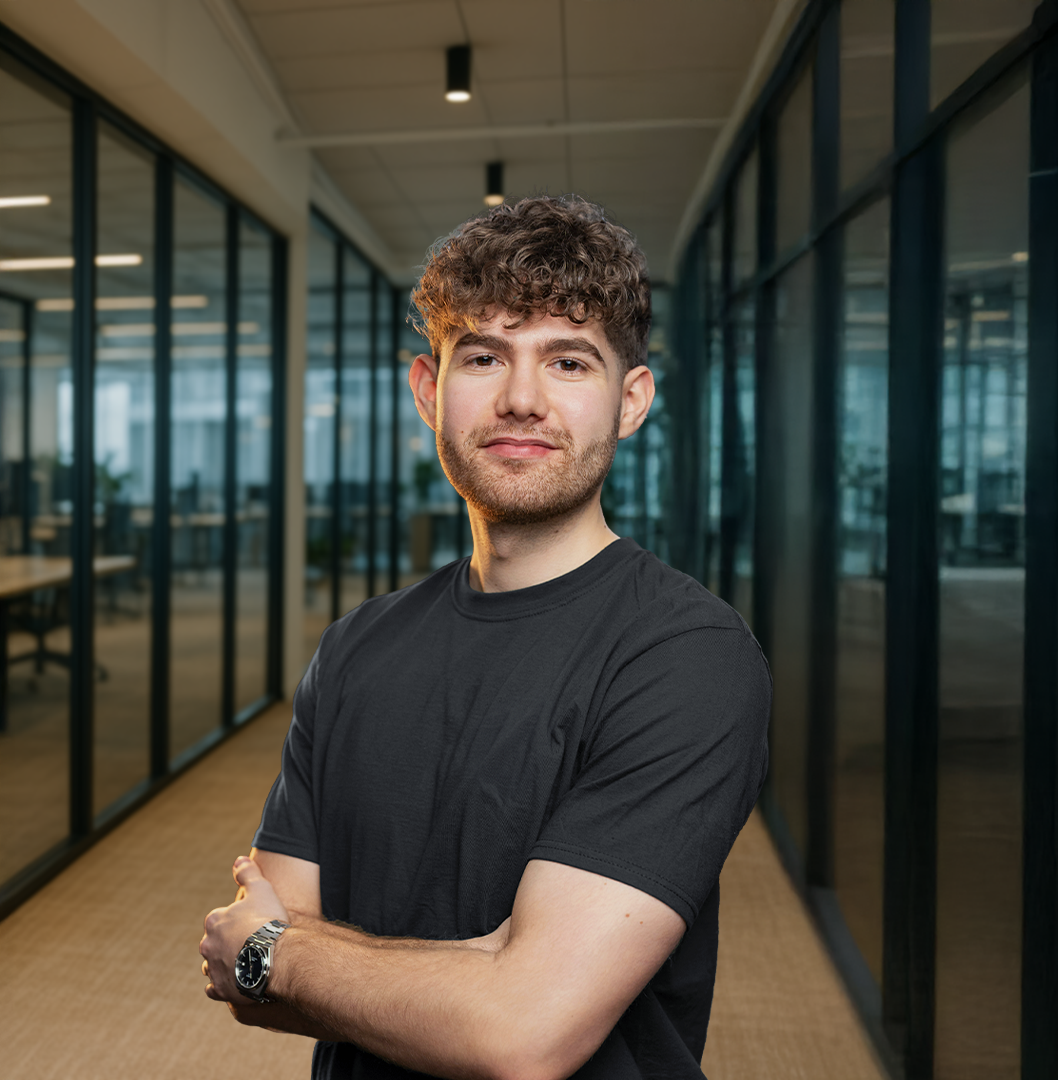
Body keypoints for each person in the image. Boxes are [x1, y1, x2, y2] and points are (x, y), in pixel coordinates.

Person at [197, 195, 771, 1080]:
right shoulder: (356, 645)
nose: (521, 398)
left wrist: (286, 953)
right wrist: (488, 964)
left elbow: (524, 1032)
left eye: (569, 361)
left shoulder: (687, 654)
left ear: (631, 401)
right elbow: (249, 985)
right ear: (430, 390)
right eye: (483, 355)